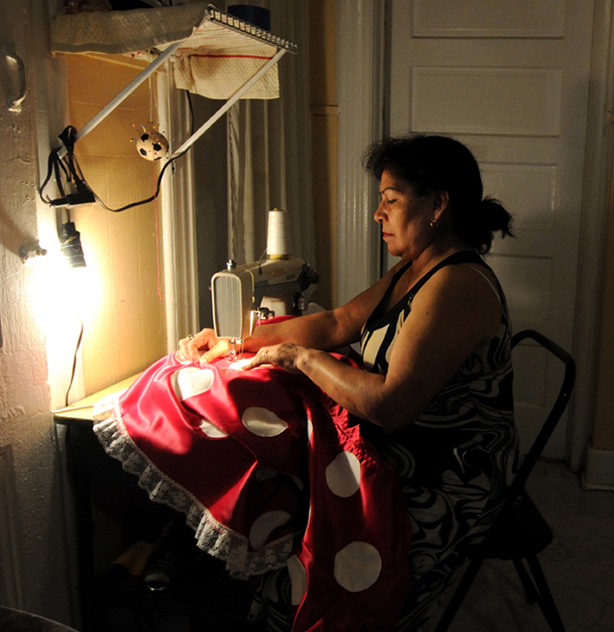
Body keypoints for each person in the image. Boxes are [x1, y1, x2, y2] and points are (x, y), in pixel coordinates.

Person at [180, 134, 518, 630]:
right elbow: (339, 323)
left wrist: (299, 358)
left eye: (391, 200)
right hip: (406, 448)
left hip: (447, 479)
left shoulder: (456, 284)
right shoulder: (415, 268)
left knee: (304, 521)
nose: (378, 214)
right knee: (291, 481)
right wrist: (239, 340)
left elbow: (390, 406)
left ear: (438, 204)